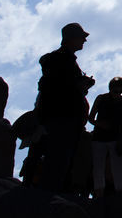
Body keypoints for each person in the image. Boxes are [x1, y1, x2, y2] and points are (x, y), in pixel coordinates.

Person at [35, 22, 96, 192]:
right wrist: (81, 84)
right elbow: (64, 87)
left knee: (61, 160)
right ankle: (49, 196)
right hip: (63, 117)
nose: (84, 41)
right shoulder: (63, 60)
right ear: (71, 39)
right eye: (81, 37)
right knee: (58, 160)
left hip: (63, 117)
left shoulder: (62, 60)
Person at [88, 76, 122, 197]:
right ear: (111, 88)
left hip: (116, 138)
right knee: (98, 166)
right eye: (116, 91)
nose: (118, 94)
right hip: (99, 137)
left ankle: (120, 194)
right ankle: (99, 194)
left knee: (117, 167)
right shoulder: (101, 98)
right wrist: (100, 124)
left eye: (120, 91)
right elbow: (90, 117)